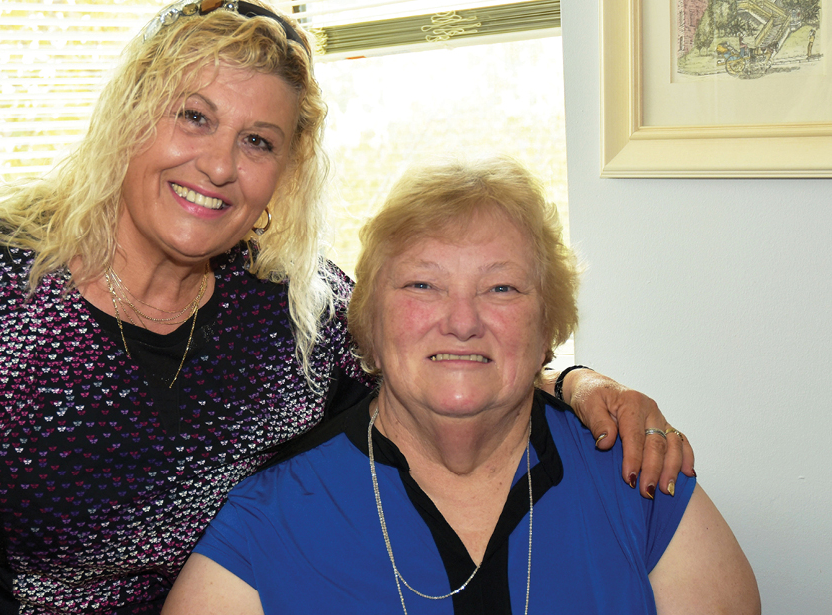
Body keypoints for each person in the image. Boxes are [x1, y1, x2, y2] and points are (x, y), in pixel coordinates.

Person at [0, 3, 690, 613]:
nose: (218, 166)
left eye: (257, 141)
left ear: (283, 175)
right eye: (192, 116)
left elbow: (440, 362)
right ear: (129, 119)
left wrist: (577, 381)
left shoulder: (298, 316)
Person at [164, 158, 758, 615]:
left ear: (550, 324)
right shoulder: (267, 520)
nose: (463, 320)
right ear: (367, 322)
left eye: (502, 289)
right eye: (422, 286)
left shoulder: (639, 478)